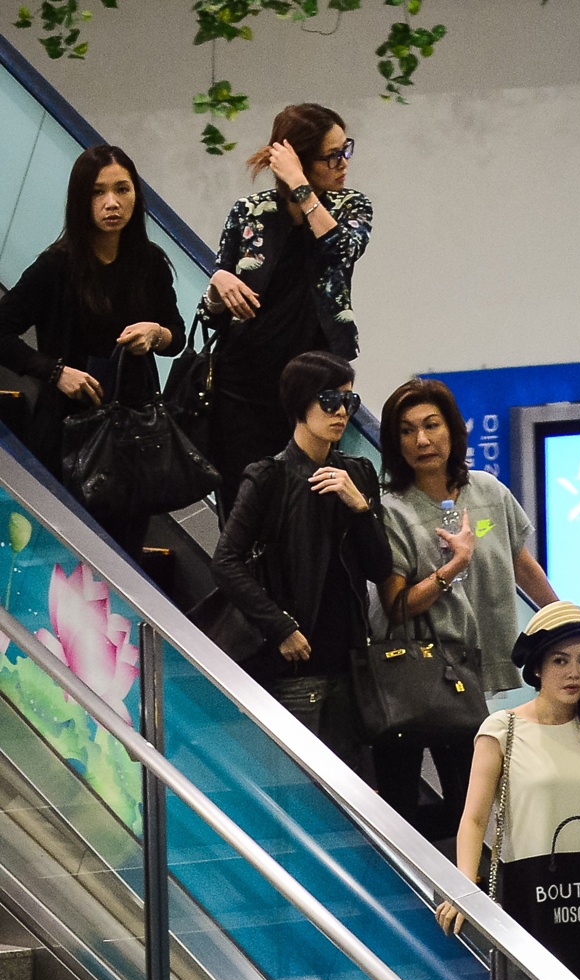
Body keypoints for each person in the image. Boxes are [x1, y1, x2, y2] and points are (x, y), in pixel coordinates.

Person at [436, 602, 580, 980]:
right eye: (560, 661)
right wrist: (462, 887)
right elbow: (473, 817)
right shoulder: (502, 728)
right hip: (530, 888)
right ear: (536, 668)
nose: (574, 673)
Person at [375, 376, 557, 835]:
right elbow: (397, 606)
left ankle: (469, 882)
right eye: (407, 430)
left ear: (453, 430)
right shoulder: (392, 509)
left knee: (473, 807)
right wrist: (453, 566)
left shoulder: (488, 490)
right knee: (404, 808)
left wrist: (566, 624)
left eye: (431, 425)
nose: (421, 440)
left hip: (476, 674)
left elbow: (522, 564)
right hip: (420, 675)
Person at [0, 143, 185, 557]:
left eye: (122, 189)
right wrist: (54, 371)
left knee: (121, 553)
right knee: (59, 553)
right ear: (80, 200)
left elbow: (177, 336)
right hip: (67, 433)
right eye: (98, 192)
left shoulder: (149, 263)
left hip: (133, 435)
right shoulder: (56, 266)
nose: (111, 203)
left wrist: (156, 333)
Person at [211, 351, 392, 771]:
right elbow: (226, 561)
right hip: (295, 663)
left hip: (351, 663)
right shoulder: (268, 476)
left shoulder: (359, 473)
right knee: (298, 787)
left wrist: (360, 507)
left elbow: (380, 568)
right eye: (330, 400)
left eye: (349, 400)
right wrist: (281, 627)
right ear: (300, 402)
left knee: (354, 790)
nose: (342, 412)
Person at [199, 103, 372, 518]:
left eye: (345, 150)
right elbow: (211, 316)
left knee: (307, 511)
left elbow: (341, 251)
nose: (343, 163)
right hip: (243, 387)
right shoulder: (249, 212)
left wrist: (300, 186)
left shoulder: (351, 206)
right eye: (331, 156)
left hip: (313, 393)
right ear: (299, 156)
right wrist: (218, 284)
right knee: (242, 510)